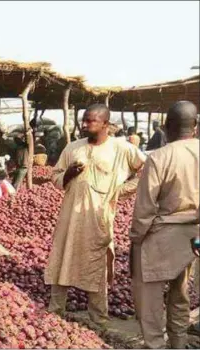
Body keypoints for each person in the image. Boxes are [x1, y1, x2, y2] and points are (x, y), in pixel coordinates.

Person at [45, 104, 146, 326]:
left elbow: (146, 170)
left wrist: (121, 191)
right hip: (70, 215)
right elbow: (54, 176)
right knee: (62, 257)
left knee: (96, 264)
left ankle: (98, 317)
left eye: (91, 121)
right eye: (84, 120)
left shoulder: (122, 149)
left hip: (98, 218)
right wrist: (68, 174)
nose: (85, 125)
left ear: (106, 125)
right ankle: (55, 310)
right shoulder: (73, 147)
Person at [129, 101, 199, 349]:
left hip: (163, 236)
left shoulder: (159, 157)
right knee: (180, 296)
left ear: (167, 127)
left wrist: (136, 238)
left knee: (150, 300)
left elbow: (145, 207)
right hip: (193, 237)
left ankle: (156, 345)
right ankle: (178, 344)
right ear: (196, 126)